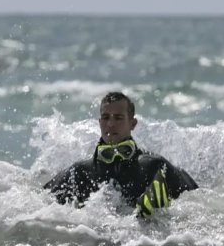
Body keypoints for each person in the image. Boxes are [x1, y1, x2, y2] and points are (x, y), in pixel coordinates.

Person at [44, 91, 198, 218]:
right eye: (106, 118)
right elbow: (39, 207)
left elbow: (198, 202)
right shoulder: (79, 172)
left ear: (133, 124)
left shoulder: (155, 167)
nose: (110, 124)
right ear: (99, 122)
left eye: (118, 118)